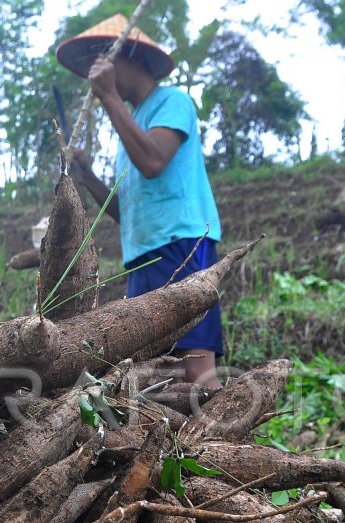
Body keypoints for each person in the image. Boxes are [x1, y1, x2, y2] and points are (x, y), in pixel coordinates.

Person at [56, 14, 224, 390]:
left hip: (181, 245)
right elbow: (125, 210)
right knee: (157, 371)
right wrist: (86, 175)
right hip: (143, 256)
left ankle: (220, 439)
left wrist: (110, 97)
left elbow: (152, 161)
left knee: (195, 367)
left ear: (130, 55)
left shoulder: (172, 102)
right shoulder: (131, 124)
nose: (95, 72)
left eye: (104, 59)